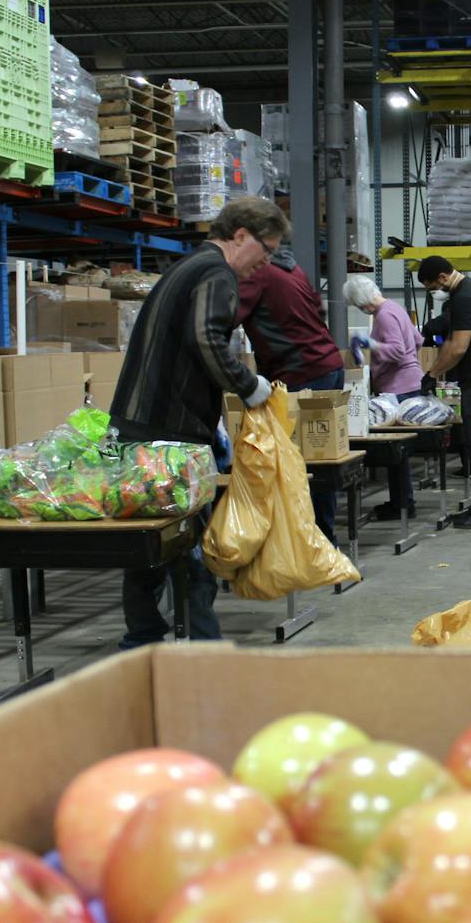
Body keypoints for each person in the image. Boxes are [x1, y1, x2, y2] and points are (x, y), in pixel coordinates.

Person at [108, 196, 287, 649]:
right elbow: (206, 336)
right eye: (264, 251)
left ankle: (144, 641)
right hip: (172, 433)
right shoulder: (216, 273)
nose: (263, 265)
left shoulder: (186, 268)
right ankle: (204, 648)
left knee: (148, 543)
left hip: (138, 424)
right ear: (241, 236)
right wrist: (247, 385)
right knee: (187, 545)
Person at [236, 239, 345, 545]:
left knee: (295, 462)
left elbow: (223, 316)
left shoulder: (258, 275)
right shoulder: (294, 269)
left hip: (301, 371)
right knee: (320, 455)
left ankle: (305, 544)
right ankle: (323, 539)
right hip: (328, 365)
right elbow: (318, 309)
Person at [416, 255, 471, 530]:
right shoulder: (464, 295)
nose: (434, 292)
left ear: (443, 278)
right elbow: (451, 342)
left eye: (432, 287)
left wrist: (431, 374)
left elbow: (458, 347)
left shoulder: (465, 296)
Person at [343, 275, 423, 520]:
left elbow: (398, 351)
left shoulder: (383, 315)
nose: (361, 309)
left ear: (362, 301)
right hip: (411, 382)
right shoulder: (396, 308)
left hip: (397, 388)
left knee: (394, 453)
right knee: (401, 453)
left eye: (358, 305)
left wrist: (372, 345)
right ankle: (402, 502)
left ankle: (401, 505)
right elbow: (418, 341)